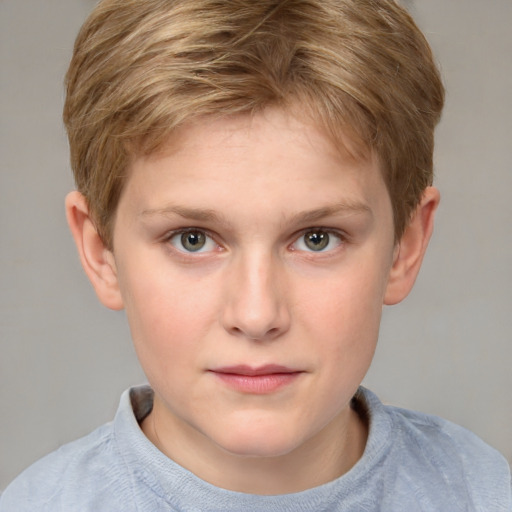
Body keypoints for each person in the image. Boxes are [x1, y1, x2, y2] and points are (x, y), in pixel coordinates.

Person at [1, 0, 510, 510]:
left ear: (406, 245)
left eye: (317, 238)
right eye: (192, 239)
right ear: (101, 252)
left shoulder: (483, 492)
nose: (256, 314)